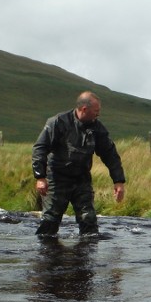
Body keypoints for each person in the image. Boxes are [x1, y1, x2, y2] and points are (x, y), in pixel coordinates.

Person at [31, 91, 126, 237]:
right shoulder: (58, 122)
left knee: (89, 221)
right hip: (56, 178)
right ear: (84, 109)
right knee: (50, 222)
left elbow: (110, 155)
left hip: (81, 180)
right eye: (96, 111)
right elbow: (40, 149)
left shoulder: (98, 129)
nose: (98, 114)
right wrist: (40, 177)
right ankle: (46, 258)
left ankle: (86, 258)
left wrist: (118, 181)